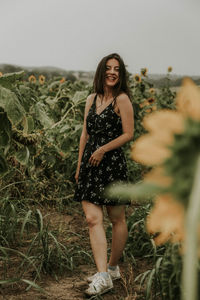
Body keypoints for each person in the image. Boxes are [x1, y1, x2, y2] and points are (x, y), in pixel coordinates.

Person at [73, 53, 134, 296]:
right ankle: (102, 276)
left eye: (117, 69)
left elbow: (128, 133)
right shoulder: (91, 98)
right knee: (91, 219)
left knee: (117, 218)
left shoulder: (122, 100)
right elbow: (84, 136)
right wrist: (79, 167)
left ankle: (111, 267)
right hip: (90, 164)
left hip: (112, 165)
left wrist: (103, 149)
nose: (112, 72)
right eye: (108, 68)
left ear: (121, 74)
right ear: (101, 71)